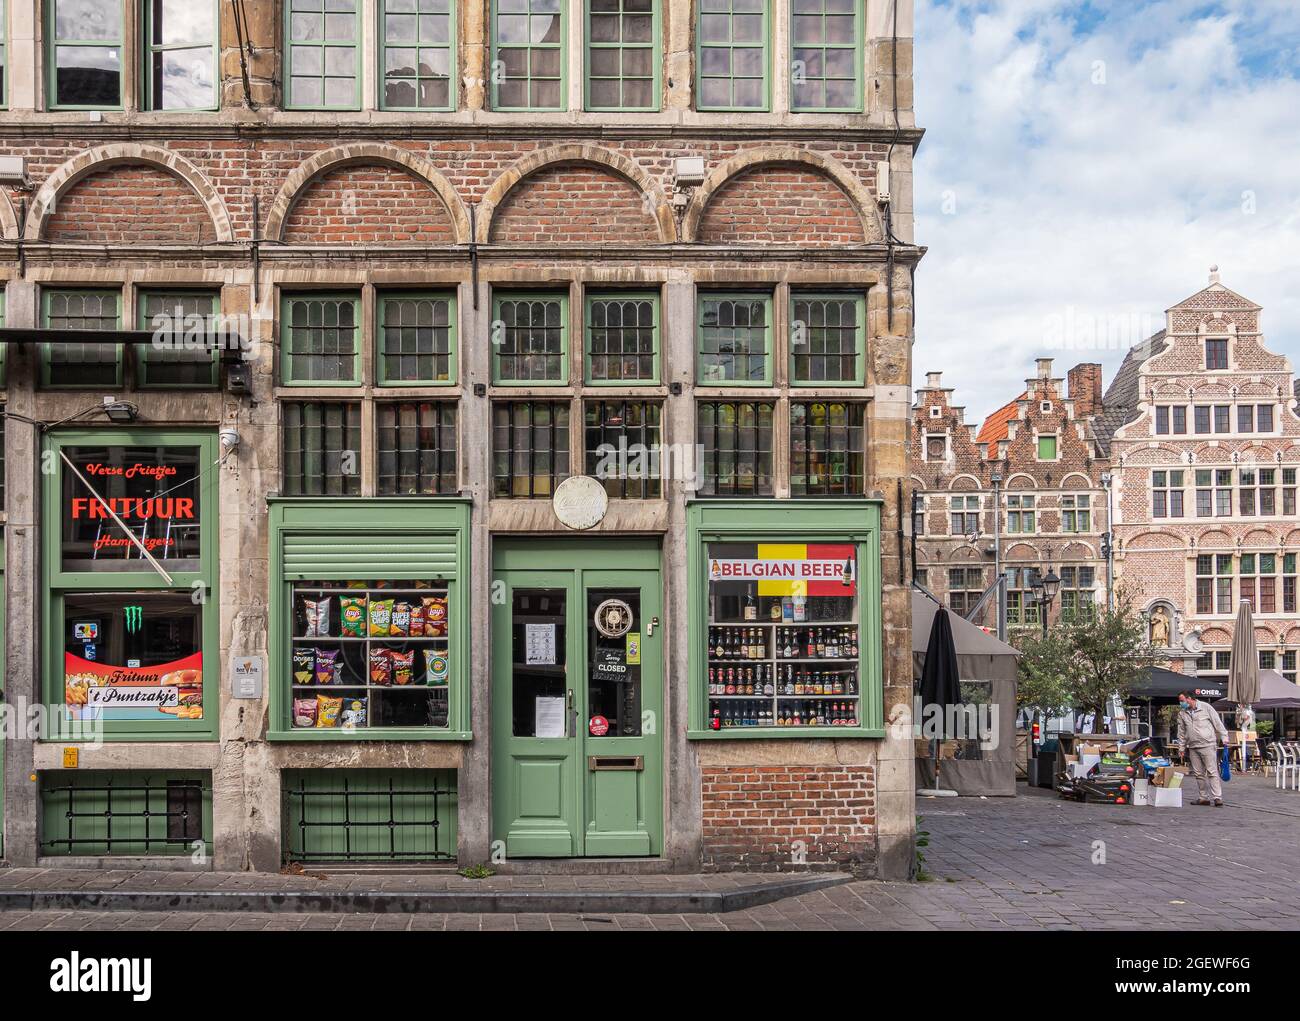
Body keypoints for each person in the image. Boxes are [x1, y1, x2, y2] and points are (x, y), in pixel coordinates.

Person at [1176, 690, 1230, 806]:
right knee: (1198, 773)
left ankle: (1217, 797)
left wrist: (1224, 736)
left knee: (1212, 771)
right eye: (1180, 702)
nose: (1181, 704)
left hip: (1208, 744)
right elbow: (1181, 732)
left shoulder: (1206, 707)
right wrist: (1181, 748)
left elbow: (1217, 722)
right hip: (1193, 746)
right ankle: (1203, 797)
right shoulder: (1182, 713)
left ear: (1189, 698)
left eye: (1182, 701)